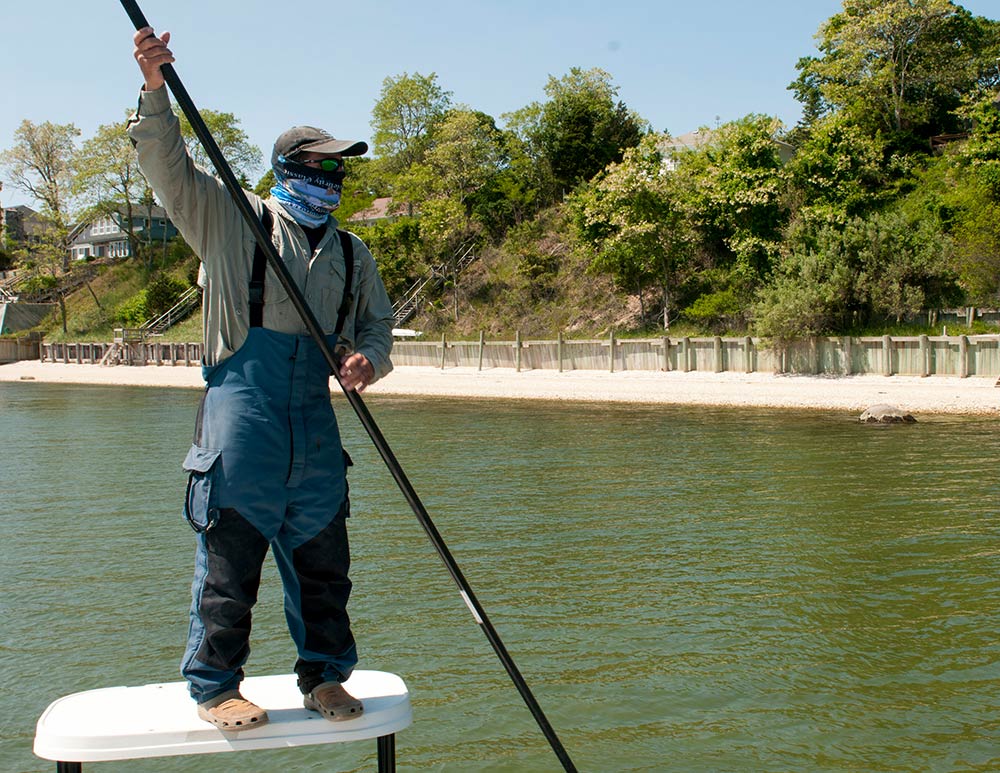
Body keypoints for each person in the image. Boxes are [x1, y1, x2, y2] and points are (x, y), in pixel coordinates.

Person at [129, 27, 394, 731]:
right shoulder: (232, 217)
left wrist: (368, 358)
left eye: (339, 169)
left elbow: (376, 326)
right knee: (228, 572)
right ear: (286, 166)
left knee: (324, 570)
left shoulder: (352, 251)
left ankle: (325, 676)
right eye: (319, 166)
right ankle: (217, 686)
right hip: (238, 426)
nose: (332, 179)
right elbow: (168, 169)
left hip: (315, 424)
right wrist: (156, 91)